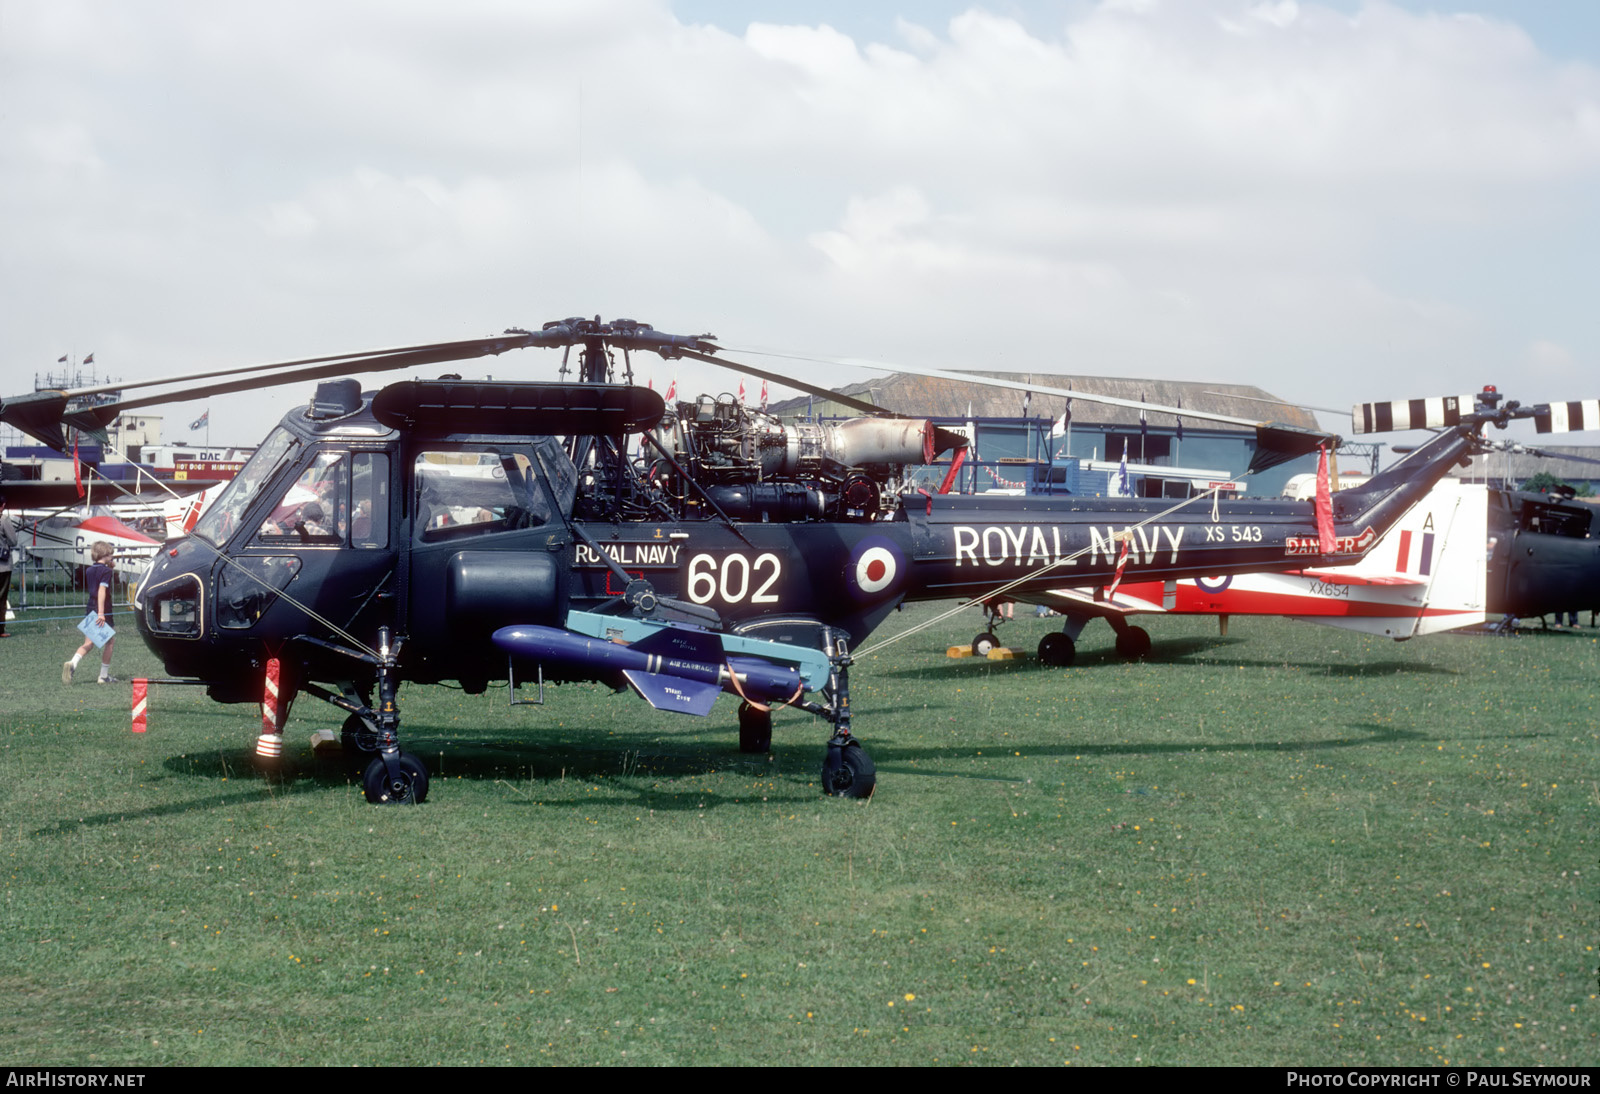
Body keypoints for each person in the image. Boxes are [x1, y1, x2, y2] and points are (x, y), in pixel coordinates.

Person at [64, 541, 117, 685]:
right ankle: (103, 676)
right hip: (103, 608)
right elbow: (102, 590)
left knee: (88, 643)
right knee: (110, 641)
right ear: (106, 555)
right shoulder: (106, 572)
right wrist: (101, 612)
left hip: (90, 607)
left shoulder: (89, 570)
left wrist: (109, 566)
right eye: (111, 554)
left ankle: (73, 663)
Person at [0, 509, 15, 638]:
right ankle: (0, 629)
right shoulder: (4, 520)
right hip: (2, 566)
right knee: (1, 598)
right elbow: (13, 541)